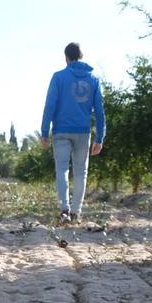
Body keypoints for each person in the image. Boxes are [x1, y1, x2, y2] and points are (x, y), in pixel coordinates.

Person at [40, 42, 105, 224]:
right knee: (80, 172)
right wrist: (100, 138)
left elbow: (50, 105)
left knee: (62, 170)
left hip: (61, 131)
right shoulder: (94, 79)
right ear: (81, 56)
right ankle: (76, 212)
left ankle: (64, 210)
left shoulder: (59, 77)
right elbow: (100, 111)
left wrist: (45, 132)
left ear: (66, 58)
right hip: (84, 132)